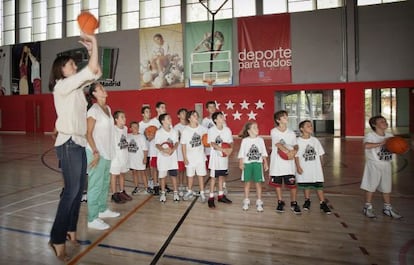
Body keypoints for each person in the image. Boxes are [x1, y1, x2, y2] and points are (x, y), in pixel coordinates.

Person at [48, 31, 101, 261]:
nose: (73, 65)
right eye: (70, 64)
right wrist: (95, 42)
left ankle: (70, 229)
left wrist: (91, 51)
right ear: (62, 69)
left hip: (78, 143)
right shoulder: (62, 86)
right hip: (68, 143)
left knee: (78, 191)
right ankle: (56, 238)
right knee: (70, 192)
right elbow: (89, 71)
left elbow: (96, 72)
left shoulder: (76, 88)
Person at [86, 82, 120, 231]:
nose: (103, 89)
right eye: (99, 88)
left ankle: (102, 209)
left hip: (107, 152)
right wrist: (95, 152)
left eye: (102, 87)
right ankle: (92, 218)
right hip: (96, 153)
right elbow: (88, 133)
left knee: (105, 183)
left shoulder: (107, 108)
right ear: (94, 94)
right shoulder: (93, 110)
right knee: (95, 186)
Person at [360, 115, 402, 219]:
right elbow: (366, 146)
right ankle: (367, 207)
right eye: (382, 121)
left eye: (385, 121)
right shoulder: (371, 135)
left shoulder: (389, 135)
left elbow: (395, 147)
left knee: (386, 188)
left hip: (386, 164)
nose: (385, 123)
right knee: (371, 186)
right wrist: (381, 143)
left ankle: (387, 208)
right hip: (374, 164)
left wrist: (399, 148)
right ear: (375, 125)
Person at [294, 120, 331, 214]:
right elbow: (296, 155)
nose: (310, 127)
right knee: (307, 184)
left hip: (315, 167)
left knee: (319, 186)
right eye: (308, 126)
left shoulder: (315, 140)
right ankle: (307, 200)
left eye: (311, 126)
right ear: (302, 129)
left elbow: (320, 154)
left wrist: (321, 165)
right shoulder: (297, 141)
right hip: (304, 166)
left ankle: (322, 203)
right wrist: (298, 166)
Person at [269, 110, 301, 214]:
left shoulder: (291, 133)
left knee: (292, 185)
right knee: (278, 184)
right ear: (278, 120)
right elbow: (278, 144)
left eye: (286, 116)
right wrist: (288, 152)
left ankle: (294, 202)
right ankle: (280, 201)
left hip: (289, 164)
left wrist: (294, 151)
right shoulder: (274, 131)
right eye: (284, 117)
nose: (286, 118)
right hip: (277, 164)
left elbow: (296, 145)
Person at [238, 122, 268, 212]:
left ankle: (259, 201)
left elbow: (263, 153)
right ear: (249, 130)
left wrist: (265, 163)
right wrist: (241, 163)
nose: (257, 129)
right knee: (247, 183)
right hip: (247, 164)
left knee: (258, 183)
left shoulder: (260, 140)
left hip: (258, 164)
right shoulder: (245, 140)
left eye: (257, 127)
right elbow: (242, 153)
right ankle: (246, 200)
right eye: (254, 127)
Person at [207, 111, 233, 208]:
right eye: (220, 116)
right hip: (215, 158)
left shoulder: (227, 130)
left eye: (223, 115)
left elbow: (231, 142)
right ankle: (211, 197)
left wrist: (230, 150)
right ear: (215, 120)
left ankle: (221, 195)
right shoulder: (212, 130)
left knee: (222, 176)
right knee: (213, 178)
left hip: (224, 157)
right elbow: (212, 143)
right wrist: (222, 149)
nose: (223, 117)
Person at [181, 110, 207, 202]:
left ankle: (202, 192)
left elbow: (207, 139)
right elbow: (183, 145)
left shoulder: (203, 129)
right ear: (189, 118)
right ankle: (189, 191)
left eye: (197, 115)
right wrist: (184, 157)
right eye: (194, 116)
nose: (196, 117)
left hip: (200, 157)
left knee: (200, 175)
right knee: (190, 176)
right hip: (190, 158)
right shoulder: (186, 130)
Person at [155, 113, 180, 202]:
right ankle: (162, 193)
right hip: (163, 158)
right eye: (168, 118)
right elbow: (157, 144)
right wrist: (163, 150)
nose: (170, 119)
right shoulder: (159, 132)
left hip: (172, 157)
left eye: (170, 117)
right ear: (162, 121)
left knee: (173, 175)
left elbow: (177, 142)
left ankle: (176, 192)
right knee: (162, 176)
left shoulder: (174, 131)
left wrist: (172, 149)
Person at [110, 110, 132, 203]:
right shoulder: (113, 129)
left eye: (125, 116)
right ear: (116, 120)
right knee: (114, 175)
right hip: (115, 157)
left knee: (122, 174)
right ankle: (114, 194)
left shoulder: (125, 129)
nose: (124, 119)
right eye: (122, 117)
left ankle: (122, 191)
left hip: (124, 155)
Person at [148, 101, 167, 195]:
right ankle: (156, 186)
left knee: (164, 167)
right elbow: (149, 137)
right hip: (154, 149)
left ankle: (164, 185)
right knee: (155, 168)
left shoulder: (167, 121)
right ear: (157, 109)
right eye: (162, 107)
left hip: (164, 150)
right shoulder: (152, 122)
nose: (164, 109)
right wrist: (155, 132)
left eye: (165, 107)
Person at [128, 121, 149, 195]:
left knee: (143, 173)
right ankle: (136, 187)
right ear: (130, 128)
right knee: (134, 172)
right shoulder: (128, 136)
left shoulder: (141, 136)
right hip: (132, 159)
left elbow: (145, 149)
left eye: (137, 127)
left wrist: (145, 158)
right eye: (133, 127)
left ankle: (147, 187)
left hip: (140, 158)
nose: (135, 128)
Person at [138, 105, 155, 191]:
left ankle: (156, 181)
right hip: (144, 150)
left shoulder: (153, 123)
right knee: (147, 166)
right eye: (147, 112)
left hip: (153, 149)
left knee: (154, 167)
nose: (149, 113)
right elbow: (139, 137)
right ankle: (150, 180)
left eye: (150, 112)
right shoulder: (140, 125)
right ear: (143, 114)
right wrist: (147, 135)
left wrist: (153, 135)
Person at [173, 108, 188, 197]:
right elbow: (175, 141)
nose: (184, 114)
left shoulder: (190, 126)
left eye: (185, 113)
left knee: (188, 170)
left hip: (189, 152)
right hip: (179, 152)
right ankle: (181, 185)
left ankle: (187, 186)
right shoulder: (176, 127)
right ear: (178, 116)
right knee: (181, 170)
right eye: (182, 113)